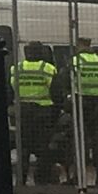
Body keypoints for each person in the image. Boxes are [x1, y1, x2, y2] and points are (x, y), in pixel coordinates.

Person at [13, 41, 61, 185]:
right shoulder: (48, 69)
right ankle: (41, 180)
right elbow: (57, 94)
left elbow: (10, 91)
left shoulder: (16, 68)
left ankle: (21, 180)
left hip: (23, 113)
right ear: (41, 52)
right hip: (43, 114)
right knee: (43, 149)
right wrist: (55, 114)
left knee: (23, 149)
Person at [70, 39, 98, 184]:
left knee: (80, 141)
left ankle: (78, 176)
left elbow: (66, 80)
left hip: (81, 102)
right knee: (97, 141)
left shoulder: (76, 61)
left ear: (81, 46)